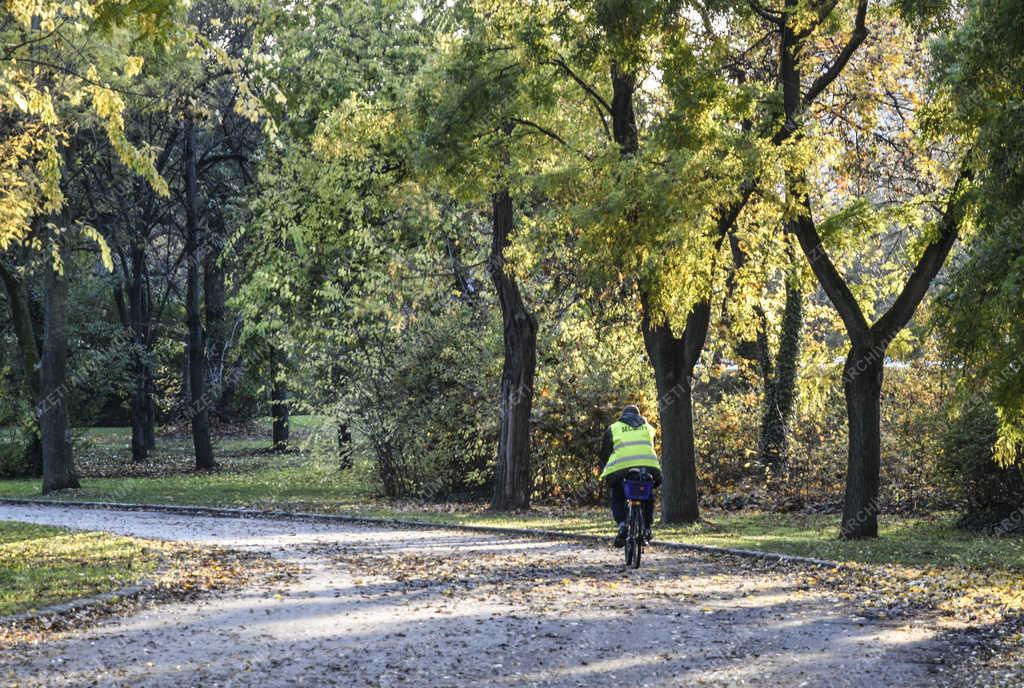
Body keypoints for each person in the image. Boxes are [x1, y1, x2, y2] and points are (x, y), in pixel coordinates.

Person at [599, 404, 662, 547]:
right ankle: (646, 528)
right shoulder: (649, 428)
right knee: (647, 494)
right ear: (639, 415)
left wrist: (607, 474)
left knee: (618, 494)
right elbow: (650, 448)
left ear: (623, 415)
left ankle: (622, 524)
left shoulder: (613, 429)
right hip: (647, 467)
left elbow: (605, 454)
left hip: (621, 469)